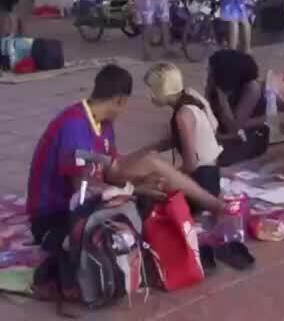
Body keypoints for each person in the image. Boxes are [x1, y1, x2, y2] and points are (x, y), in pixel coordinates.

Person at [26, 64, 223, 247]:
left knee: (152, 164)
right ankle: (211, 206)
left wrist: (145, 177)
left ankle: (215, 206)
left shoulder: (103, 122)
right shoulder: (74, 126)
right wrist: (135, 189)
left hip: (86, 199)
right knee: (130, 222)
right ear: (120, 100)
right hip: (56, 216)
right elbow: (84, 191)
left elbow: (114, 168)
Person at [145, 63, 224, 200]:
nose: (149, 95)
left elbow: (191, 165)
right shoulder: (191, 102)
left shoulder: (182, 115)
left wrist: (168, 175)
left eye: (151, 90)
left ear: (162, 90)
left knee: (149, 194)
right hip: (211, 175)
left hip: (202, 182)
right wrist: (149, 151)